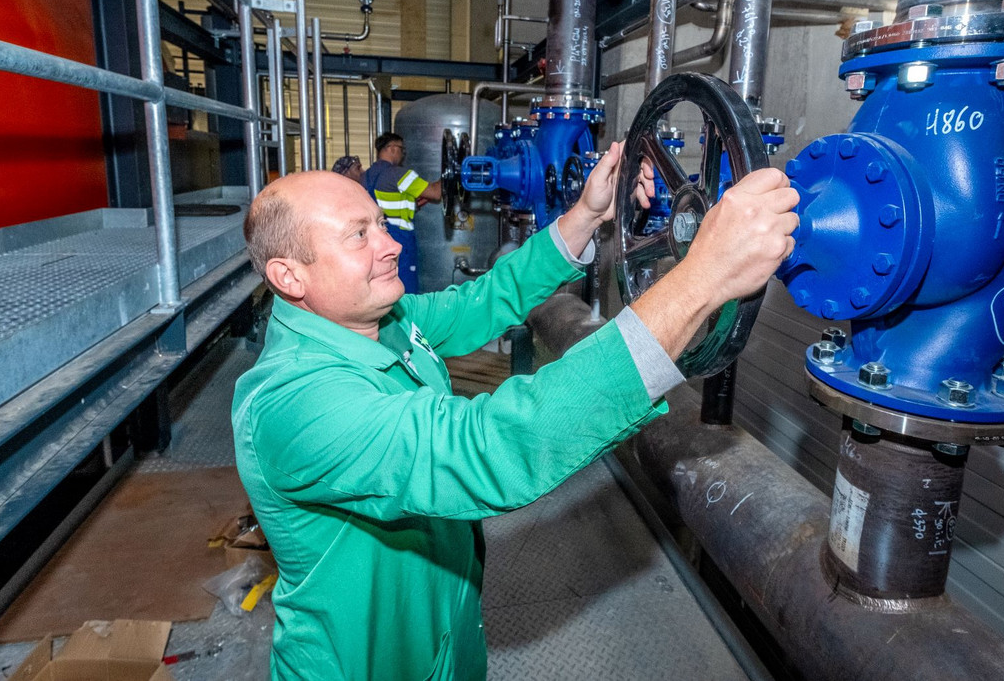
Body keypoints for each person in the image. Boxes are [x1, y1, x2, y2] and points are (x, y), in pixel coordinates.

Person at [234, 143, 798, 681]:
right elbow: (490, 446)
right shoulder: (293, 403)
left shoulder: (378, 319)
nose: (391, 245)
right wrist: (700, 279)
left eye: (381, 223)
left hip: (447, 626)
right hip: (365, 661)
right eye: (359, 235)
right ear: (290, 276)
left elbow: (481, 300)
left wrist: (585, 215)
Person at [361, 133, 441, 292]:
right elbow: (435, 193)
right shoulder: (399, 174)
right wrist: (450, 174)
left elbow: (387, 202)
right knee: (405, 286)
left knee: (382, 284)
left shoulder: (365, 176)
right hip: (400, 239)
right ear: (391, 149)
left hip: (374, 237)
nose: (402, 154)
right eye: (401, 149)